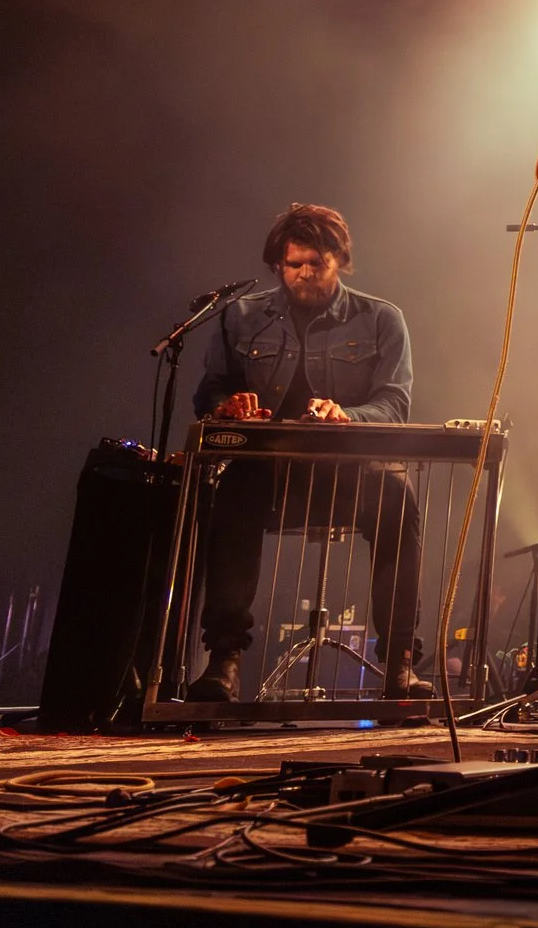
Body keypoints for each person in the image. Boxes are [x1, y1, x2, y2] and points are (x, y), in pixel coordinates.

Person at [184, 203, 433, 702]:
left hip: (347, 472)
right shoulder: (240, 316)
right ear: (278, 264)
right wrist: (228, 406)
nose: (304, 274)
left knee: (398, 503)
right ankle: (224, 660)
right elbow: (210, 390)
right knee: (230, 498)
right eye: (293, 264)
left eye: (315, 264)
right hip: (269, 472)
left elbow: (394, 402)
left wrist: (347, 415)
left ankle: (400, 662)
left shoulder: (382, 319)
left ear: (339, 260)